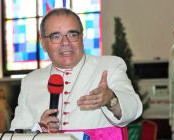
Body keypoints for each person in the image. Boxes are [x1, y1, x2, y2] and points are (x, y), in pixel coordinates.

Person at [10, 8, 142, 139]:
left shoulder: (109, 66)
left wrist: (110, 99)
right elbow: (16, 134)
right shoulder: (30, 81)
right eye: (56, 36)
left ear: (82, 37)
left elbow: (134, 108)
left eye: (72, 34)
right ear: (43, 43)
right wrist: (38, 130)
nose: (66, 42)